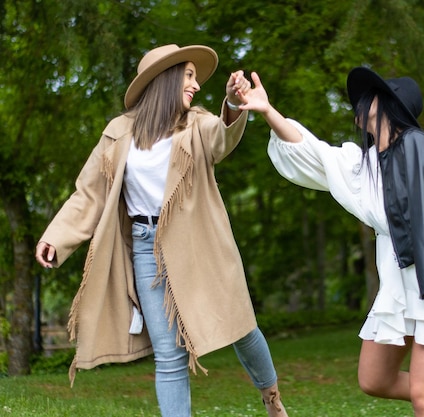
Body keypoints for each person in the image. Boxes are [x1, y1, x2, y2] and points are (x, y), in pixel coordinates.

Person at [34, 44, 289, 417]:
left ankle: (271, 397)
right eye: (188, 76)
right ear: (164, 80)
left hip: (200, 243)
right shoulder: (118, 133)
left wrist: (234, 105)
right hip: (145, 249)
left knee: (241, 327)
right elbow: (90, 193)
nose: (196, 85)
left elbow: (222, 138)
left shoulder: (197, 125)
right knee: (169, 356)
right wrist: (54, 237)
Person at [236, 68, 424, 417]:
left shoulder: (416, 145)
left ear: (387, 104)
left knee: (422, 396)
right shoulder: (365, 163)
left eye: (367, 97)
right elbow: (312, 152)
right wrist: (267, 111)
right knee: (374, 379)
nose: (358, 104)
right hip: (398, 286)